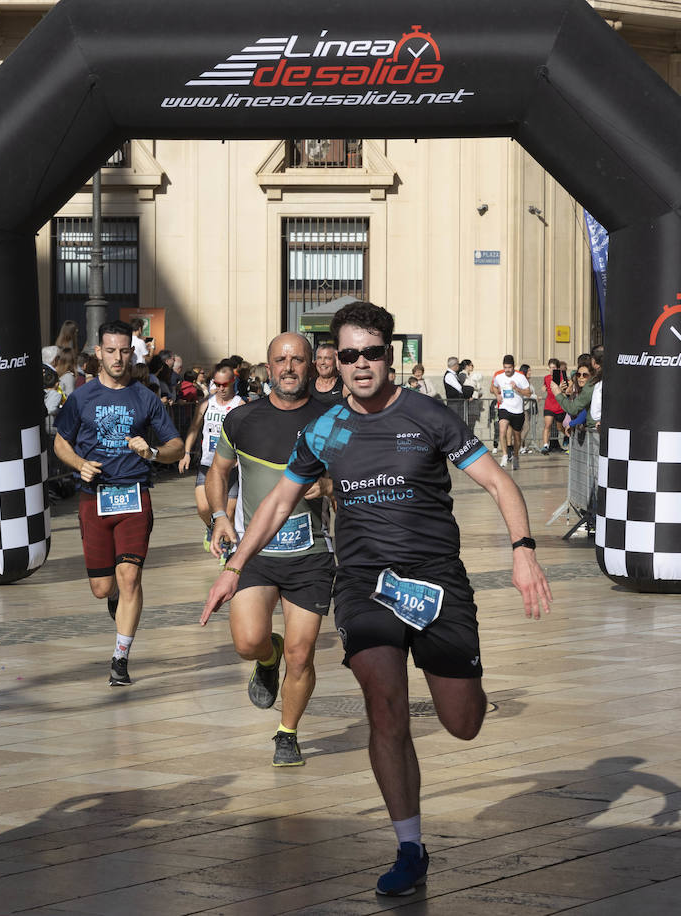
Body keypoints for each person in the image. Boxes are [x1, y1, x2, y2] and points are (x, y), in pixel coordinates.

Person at [202, 300, 551, 897]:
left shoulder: (430, 415)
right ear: (333, 360)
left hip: (437, 581)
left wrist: (522, 550)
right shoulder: (329, 427)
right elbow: (280, 501)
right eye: (349, 354)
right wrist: (235, 564)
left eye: (373, 353)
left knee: (461, 723)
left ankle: (469, 688)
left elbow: (497, 480)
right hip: (364, 584)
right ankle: (410, 846)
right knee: (384, 703)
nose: (361, 365)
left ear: (390, 356)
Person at [203, 333, 334, 767]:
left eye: (298, 359)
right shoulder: (243, 419)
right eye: (281, 360)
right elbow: (218, 471)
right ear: (268, 366)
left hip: (311, 555)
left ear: (312, 365)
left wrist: (330, 486)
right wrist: (220, 516)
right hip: (254, 552)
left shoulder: (331, 417)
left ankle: (287, 733)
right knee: (247, 642)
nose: (290, 367)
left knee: (303, 653)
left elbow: (356, 478)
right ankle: (267, 656)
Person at [52, 319, 185, 686]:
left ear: (132, 352)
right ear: (98, 353)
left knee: (130, 577)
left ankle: (120, 659)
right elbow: (60, 442)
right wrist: (80, 464)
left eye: (124, 350)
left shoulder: (144, 397)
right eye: (110, 350)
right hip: (94, 498)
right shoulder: (82, 396)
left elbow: (177, 447)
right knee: (102, 587)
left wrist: (153, 451)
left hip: (133, 495)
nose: (117, 357)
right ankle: (114, 600)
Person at [179, 365, 245, 540]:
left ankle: (226, 549)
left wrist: (242, 457)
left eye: (225, 384)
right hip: (207, 463)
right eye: (217, 384)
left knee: (229, 513)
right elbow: (194, 428)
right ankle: (211, 528)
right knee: (203, 508)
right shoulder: (206, 404)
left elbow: (249, 436)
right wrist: (186, 453)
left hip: (231, 466)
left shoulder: (240, 405)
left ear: (233, 382)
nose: (221, 388)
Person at [491, 355, 531, 470]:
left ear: (513, 366)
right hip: (504, 407)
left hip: (517, 410)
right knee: (502, 430)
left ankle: (516, 456)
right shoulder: (499, 376)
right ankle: (504, 455)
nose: (507, 370)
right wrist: (497, 395)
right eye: (505, 367)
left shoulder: (520, 377)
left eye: (509, 367)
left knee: (517, 436)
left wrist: (517, 388)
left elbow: (528, 393)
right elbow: (494, 387)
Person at [540, 359, 568, 454]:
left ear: (558, 368)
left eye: (554, 368)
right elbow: (545, 386)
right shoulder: (546, 378)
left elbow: (566, 391)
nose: (552, 370)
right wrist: (543, 388)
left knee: (560, 428)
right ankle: (545, 446)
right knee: (547, 425)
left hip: (559, 406)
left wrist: (561, 388)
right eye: (550, 367)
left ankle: (568, 436)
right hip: (549, 405)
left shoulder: (562, 377)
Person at [309, 342, 345, 407]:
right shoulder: (308, 385)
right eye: (319, 358)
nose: (322, 362)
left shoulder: (344, 384)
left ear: (336, 361)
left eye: (327, 358)